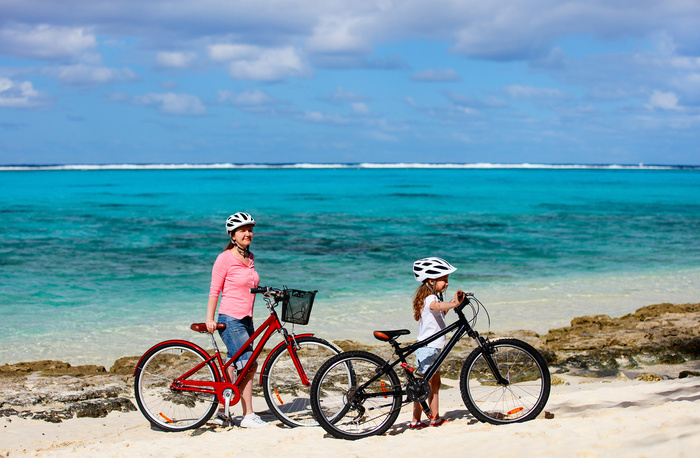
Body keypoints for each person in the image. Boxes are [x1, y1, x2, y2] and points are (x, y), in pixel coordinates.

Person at [205, 212, 268, 428]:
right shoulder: (224, 258)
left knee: (233, 363)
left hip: (247, 319)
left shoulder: (250, 257)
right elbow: (215, 290)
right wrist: (209, 319)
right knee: (248, 365)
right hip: (230, 319)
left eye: (249, 229)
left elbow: (247, 286)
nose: (247, 233)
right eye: (242, 230)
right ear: (232, 235)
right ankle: (248, 415)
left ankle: (222, 411)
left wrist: (267, 292)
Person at [410, 257, 462, 429]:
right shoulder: (430, 298)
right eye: (444, 280)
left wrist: (452, 304)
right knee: (421, 388)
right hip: (427, 349)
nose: (447, 284)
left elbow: (439, 314)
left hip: (434, 349)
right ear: (431, 281)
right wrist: (452, 304)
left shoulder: (431, 297)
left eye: (448, 280)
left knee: (434, 385)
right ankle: (416, 420)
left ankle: (435, 417)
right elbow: (437, 307)